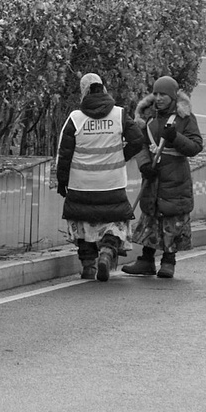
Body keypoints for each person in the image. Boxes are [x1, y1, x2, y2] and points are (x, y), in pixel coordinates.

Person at [57, 74, 143, 282]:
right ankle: (107, 251)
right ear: (104, 89)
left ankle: (88, 266)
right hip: (112, 184)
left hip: (81, 185)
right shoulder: (119, 115)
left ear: (84, 91)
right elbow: (138, 140)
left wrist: (62, 182)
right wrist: (123, 156)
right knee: (114, 223)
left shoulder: (75, 119)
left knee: (84, 225)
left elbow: (64, 155)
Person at [122, 76, 205, 278]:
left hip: (175, 178)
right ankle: (146, 259)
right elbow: (140, 144)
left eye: (163, 95)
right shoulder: (147, 119)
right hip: (153, 178)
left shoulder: (184, 118)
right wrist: (144, 165)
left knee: (171, 218)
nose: (158, 98)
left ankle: (169, 261)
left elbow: (195, 146)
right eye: (156, 94)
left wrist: (175, 137)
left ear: (173, 96)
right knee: (151, 215)